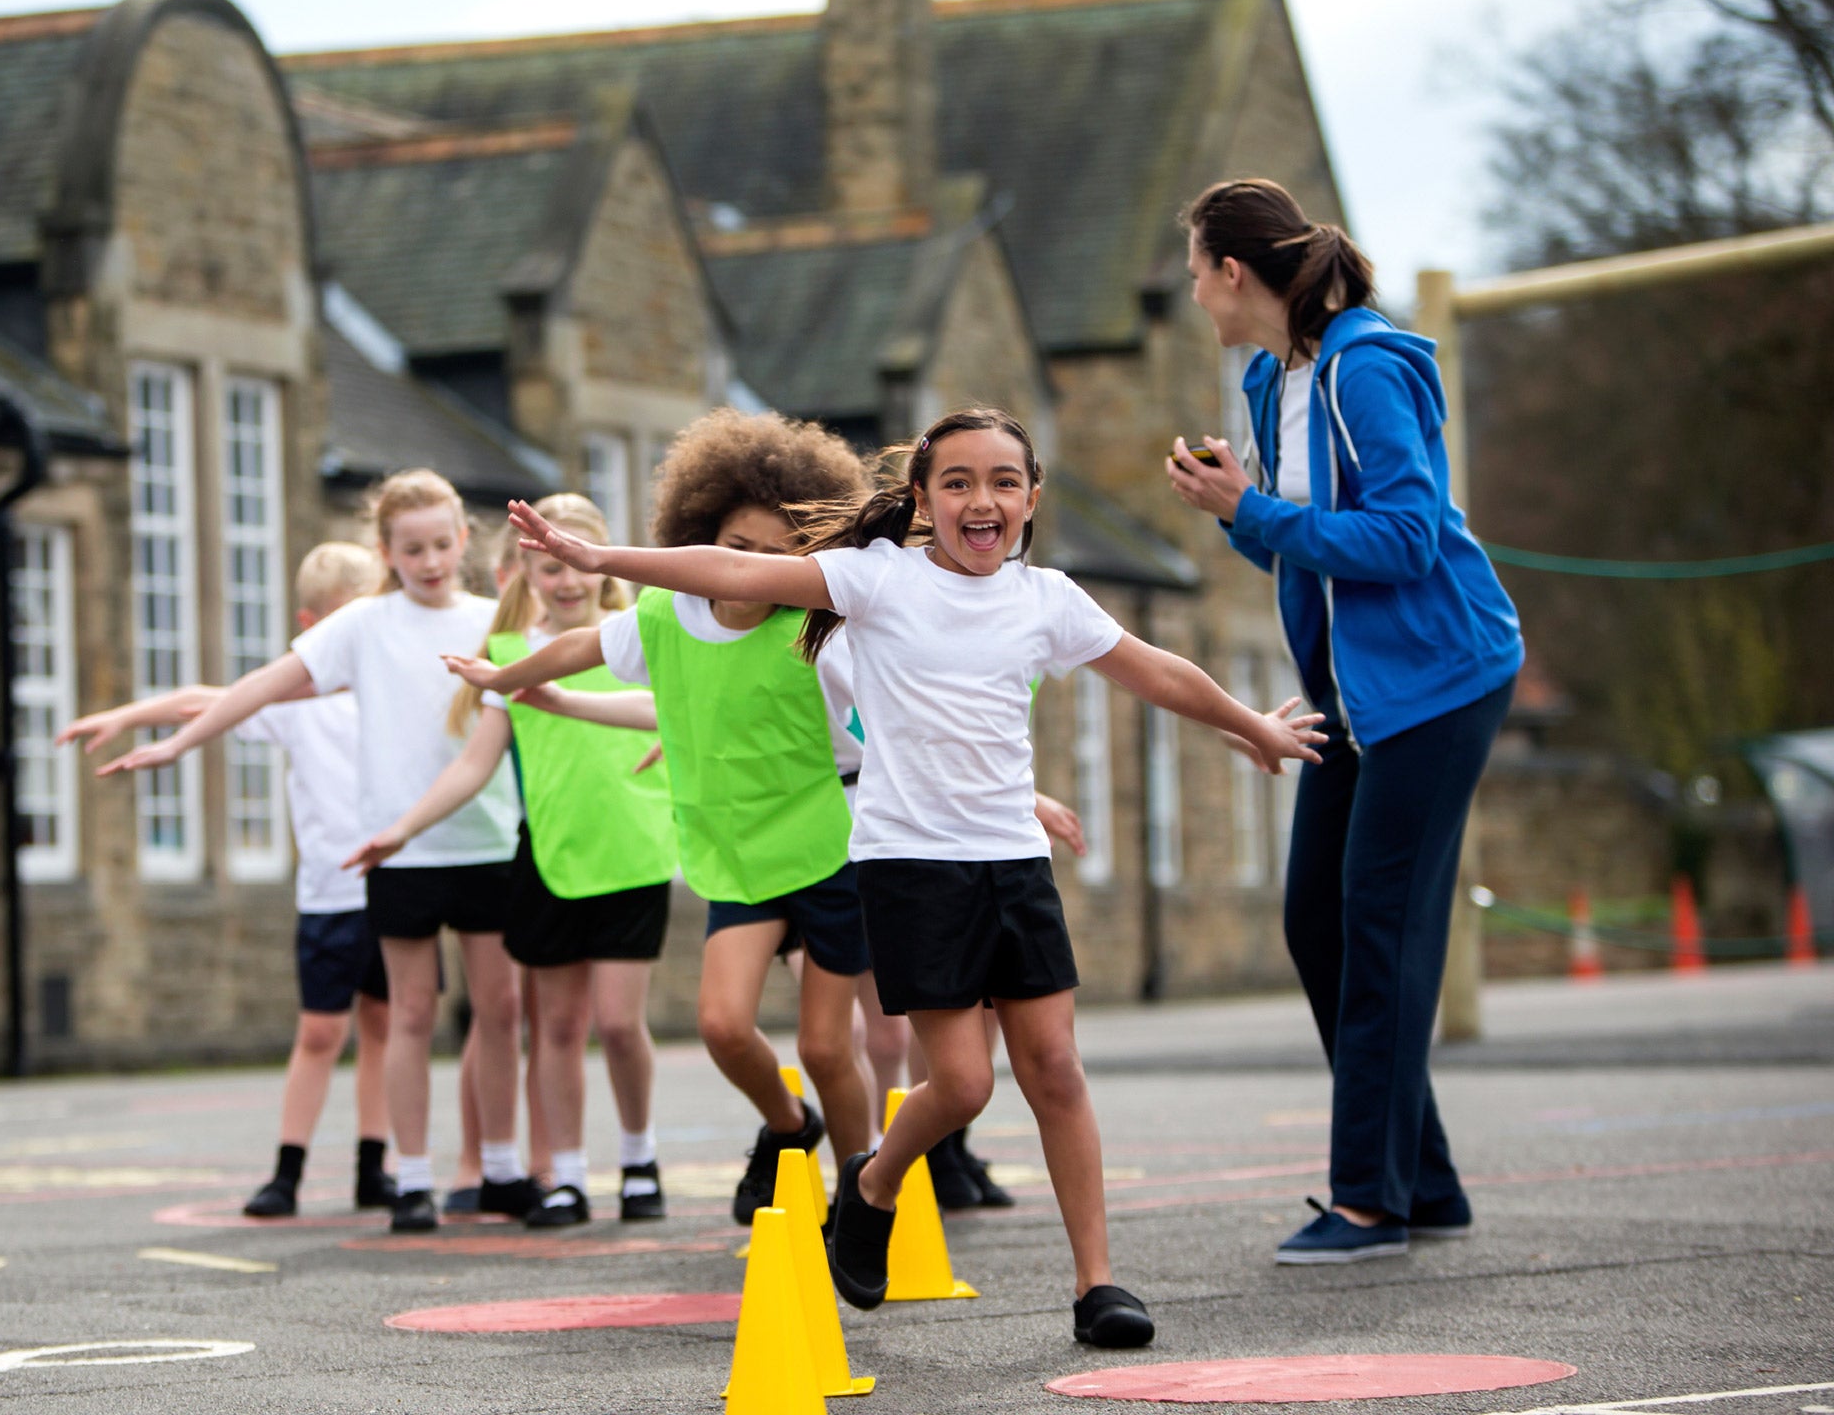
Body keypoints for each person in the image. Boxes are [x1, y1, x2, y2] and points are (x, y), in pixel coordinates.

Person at [501, 406, 1325, 1349]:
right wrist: (606, 562)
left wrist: (1250, 725)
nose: (983, 500)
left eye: (1003, 482)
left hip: (1012, 861)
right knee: (964, 1086)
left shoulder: (1047, 599)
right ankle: (875, 1179)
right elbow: (734, 570)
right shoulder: (875, 580)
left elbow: (1154, 670)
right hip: (910, 865)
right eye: (959, 482)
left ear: (1030, 499)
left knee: (1054, 1067)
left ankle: (1098, 1285)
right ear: (925, 500)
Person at [1169, 178, 1524, 1265]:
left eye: (1195, 271)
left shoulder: (1365, 368)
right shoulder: (1268, 374)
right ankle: (1425, 1183)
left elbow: (1405, 540)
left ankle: (1367, 1202)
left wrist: (1255, 511)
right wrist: (1241, 513)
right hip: (1350, 695)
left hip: (1437, 680)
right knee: (1313, 924)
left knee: (1377, 927)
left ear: (1234, 272)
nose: (1193, 293)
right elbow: (1302, 544)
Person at [453, 410, 881, 1225]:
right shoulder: (664, 618)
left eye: (776, 556)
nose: (749, 569)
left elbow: (893, 733)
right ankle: (790, 1128)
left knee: (828, 1046)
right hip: (738, 848)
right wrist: (507, 680)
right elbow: (579, 650)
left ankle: (861, 1200)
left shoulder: (824, 639)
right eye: (734, 547)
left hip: (834, 841)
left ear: (809, 563)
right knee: (722, 1025)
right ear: (697, 539)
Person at [100, 470, 535, 1234]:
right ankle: (412, 1181)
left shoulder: (494, 619)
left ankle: (500, 1168)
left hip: (486, 843)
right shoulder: (363, 626)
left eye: (441, 544)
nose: (429, 560)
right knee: (409, 1015)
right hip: (396, 853)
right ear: (386, 551)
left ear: (464, 541)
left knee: (499, 1011)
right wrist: (177, 745)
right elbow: (263, 684)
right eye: (412, 549)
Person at [347, 495, 676, 1229]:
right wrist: (402, 829)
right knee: (555, 1028)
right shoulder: (510, 659)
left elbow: (689, 713)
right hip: (551, 859)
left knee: (620, 1024)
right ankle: (564, 1175)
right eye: (546, 568)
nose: (564, 582)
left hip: (635, 850)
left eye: (573, 565)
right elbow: (473, 764)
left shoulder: (642, 637)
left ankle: (639, 1157)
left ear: (599, 564)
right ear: (523, 571)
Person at [60, 542, 398, 1218]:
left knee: (388, 1030)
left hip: (395, 887)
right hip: (330, 897)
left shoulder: (394, 693)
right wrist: (128, 716)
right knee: (320, 1033)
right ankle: (288, 1171)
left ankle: (374, 1165)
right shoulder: (296, 703)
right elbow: (205, 702)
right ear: (310, 626)